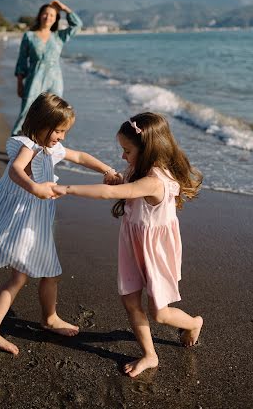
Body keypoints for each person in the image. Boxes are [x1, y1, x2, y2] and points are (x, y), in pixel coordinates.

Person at [0, 92, 115, 355]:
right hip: (23, 220)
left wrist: (108, 170)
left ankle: (45, 319)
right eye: (59, 130)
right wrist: (35, 188)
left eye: (65, 131)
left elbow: (81, 156)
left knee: (42, 274)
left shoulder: (52, 147)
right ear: (41, 123)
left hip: (36, 221)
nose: (62, 137)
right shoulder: (27, 145)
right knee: (21, 276)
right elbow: (16, 170)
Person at [53, 112, 203, 377]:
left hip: (156, 251)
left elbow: (113, 194)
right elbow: (122, 187)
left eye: (127, 150)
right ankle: (149, 355)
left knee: (160, 313)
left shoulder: (155, 181)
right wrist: (119, 178)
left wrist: (66, 189)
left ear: (147, 149)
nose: (123, 157)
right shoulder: (137, 170)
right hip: (133, 245)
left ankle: (193, 322)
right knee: (130, 301)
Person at [12, 0, 82, 135]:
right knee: (26, 114)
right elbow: (21, 61)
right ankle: (14, 143)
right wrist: (20, 83)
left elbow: (77, 25)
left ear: (56, 18)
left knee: (53, 114)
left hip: (55, 80)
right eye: (45, 14)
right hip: (34, 79)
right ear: (39, 15)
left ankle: (43, 148)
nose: (48, 17)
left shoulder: (59, 36)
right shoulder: (29, 36)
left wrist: (64, 8)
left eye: (52, 15)